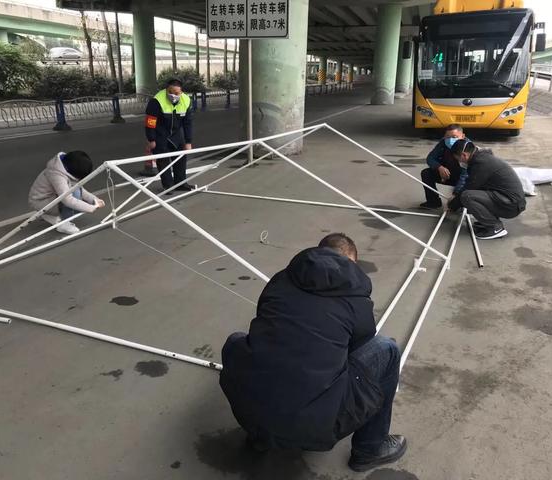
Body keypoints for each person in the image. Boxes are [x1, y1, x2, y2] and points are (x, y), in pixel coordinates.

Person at [220, 233, 406, 473]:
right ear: (352, 262)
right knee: (385, 349)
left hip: (248, 413)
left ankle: (262, 433)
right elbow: (360, 344)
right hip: (317, 425)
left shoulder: (280, 280)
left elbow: (264, 319)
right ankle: (370, 448)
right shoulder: (355, 296)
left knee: (236, 340)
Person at [448, 140, 526, 239]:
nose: (459, 162)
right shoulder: (482, 158)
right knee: (470, 196)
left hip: (511, 205)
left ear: (464, 155)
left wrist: (452, 205)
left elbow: (469, 187)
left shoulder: (481, 164)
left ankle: (494, 227)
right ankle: (488, 222)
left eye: (458, 159)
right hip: (509, 200)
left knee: (466, 196)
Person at [28, 151, 105, 235]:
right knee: (74, 196)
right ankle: (62, 223)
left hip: (48, 198)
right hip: (41, 202)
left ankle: (51, 215)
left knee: (76, 192)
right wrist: (90, 208)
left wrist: (94, 200)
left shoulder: (66, 164)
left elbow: (79, 188)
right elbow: (67, 199)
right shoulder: (57, 175)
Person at [144, 78, 194, 193]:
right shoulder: (156, 101)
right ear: (166, 90)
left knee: (181, 158)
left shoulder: (186, 100)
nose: (173, 95)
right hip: (160, 133)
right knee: (163, 160)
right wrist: (151, 139)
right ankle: (168, 185)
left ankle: (181, 183)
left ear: (181, 92)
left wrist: (188, 142)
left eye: (176, 93)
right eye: (170, 92)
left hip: (177, 133)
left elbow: (188, 123)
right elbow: (150, 122)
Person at [420, 124, 468, 209]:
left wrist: (455, 194)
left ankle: (462, 204)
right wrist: (439, 167)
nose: (450, 140)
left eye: (454, 137)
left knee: (456, 206)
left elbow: (465, 175)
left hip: (463, 179)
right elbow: (430, 158)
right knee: (426, 173)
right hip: (445, 175)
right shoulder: (443, 143)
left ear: (463, 136)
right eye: (447, 137)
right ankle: (433, 202)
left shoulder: (468, 149)